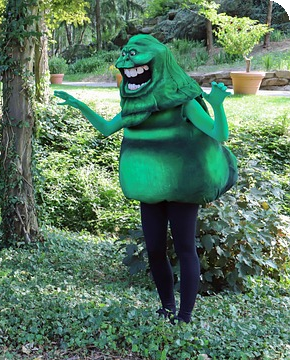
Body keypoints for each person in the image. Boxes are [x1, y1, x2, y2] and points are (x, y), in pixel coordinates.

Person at [55, 34, 237, 324]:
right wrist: (80, 105)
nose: (126, 60)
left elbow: (219, 134)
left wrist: (218, 105)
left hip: (182, 189)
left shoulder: (183, 102)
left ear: (160, 62)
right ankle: (166, 307)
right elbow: (106, 128)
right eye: (125, 54)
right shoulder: (135, 107)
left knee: (185, 248)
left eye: (135, 54)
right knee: (154, 249)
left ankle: (185, 316)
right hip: (150, 190)